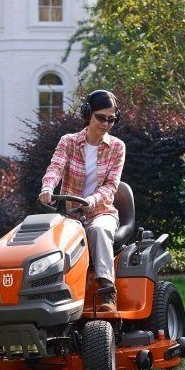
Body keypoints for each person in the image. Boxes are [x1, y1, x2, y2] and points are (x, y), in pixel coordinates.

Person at [39, 89, 125, 314]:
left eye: (111, 119)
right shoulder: (68, 142)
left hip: (102, 212)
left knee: (98, 230)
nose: (106, 124)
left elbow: (111, 185)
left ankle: (107, 291)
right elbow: (55, 168)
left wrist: (91, 201)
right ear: (88, 114)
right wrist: (47, 188)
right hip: (71, 216)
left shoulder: (117, 147)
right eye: (101, 117)